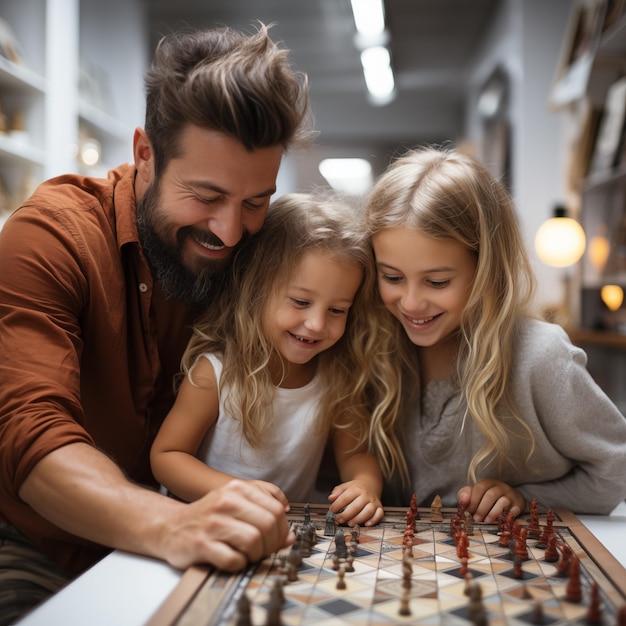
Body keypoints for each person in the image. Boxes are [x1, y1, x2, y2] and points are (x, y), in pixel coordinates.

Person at [0, 23, 314, 624]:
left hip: (176, 541)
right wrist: (173, 524)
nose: (229, 231)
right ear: (145, 153)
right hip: (39, 544)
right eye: (206, 196)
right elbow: (29, 434)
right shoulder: (50, 236)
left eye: (255, 201)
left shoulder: (257, 249)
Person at [364, 145, 626, 523]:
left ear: (487, 268)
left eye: (437, 281)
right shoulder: (374, 345)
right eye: (391, 277)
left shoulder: (541, 356)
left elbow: (616, 471)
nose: (411, 302)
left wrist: (524, 497)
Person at [151, 192, 405, 528]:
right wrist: (235, 490)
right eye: (300, 302)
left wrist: (364, 485)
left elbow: (355, 454)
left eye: (336, 310)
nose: (316, 324)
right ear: (256, 291)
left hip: (285, 533)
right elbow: (167, 457)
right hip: (207, 526)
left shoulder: (335, 377)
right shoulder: (215, 373)